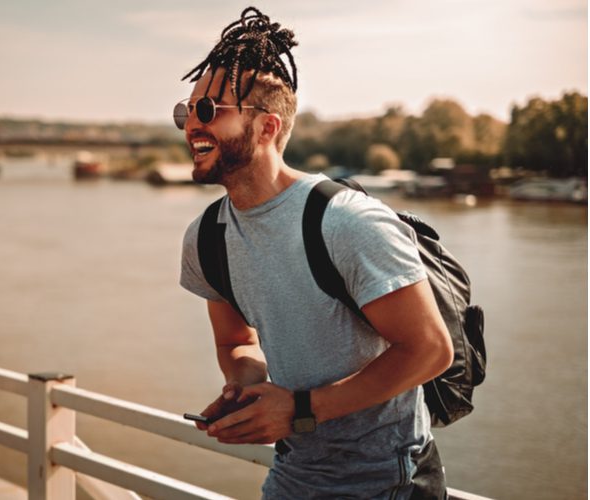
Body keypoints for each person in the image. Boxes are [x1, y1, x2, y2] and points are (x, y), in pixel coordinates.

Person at [176, 7, 454, 499]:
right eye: (186, 111)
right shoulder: (206, 238)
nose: (190, 127)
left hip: (389, 481)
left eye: (207, 111)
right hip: (294, 475)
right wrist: (247, 392)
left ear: (265, 128)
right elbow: (234, 343)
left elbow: (430, 350)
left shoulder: (348, 223)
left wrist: (301, 409)